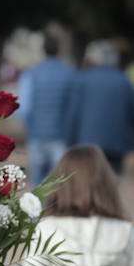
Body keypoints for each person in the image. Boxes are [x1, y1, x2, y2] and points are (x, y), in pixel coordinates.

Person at [69, 41, 134, 175]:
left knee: (90, 179)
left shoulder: (81, 80)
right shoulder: (124, 81)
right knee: (113, 178)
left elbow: (73, 113)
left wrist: (70, 140)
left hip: (87, 142)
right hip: (117, 142)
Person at [20, 35, 77, 186]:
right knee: (58, 184)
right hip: (61, 136)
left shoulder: (32, 73)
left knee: (37, 188)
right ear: (58, 49)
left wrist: (30, 126)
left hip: (37, 135)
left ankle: (38, 210)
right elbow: (74, 106)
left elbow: (24, 108)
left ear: (43, 50)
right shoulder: (69, 73)